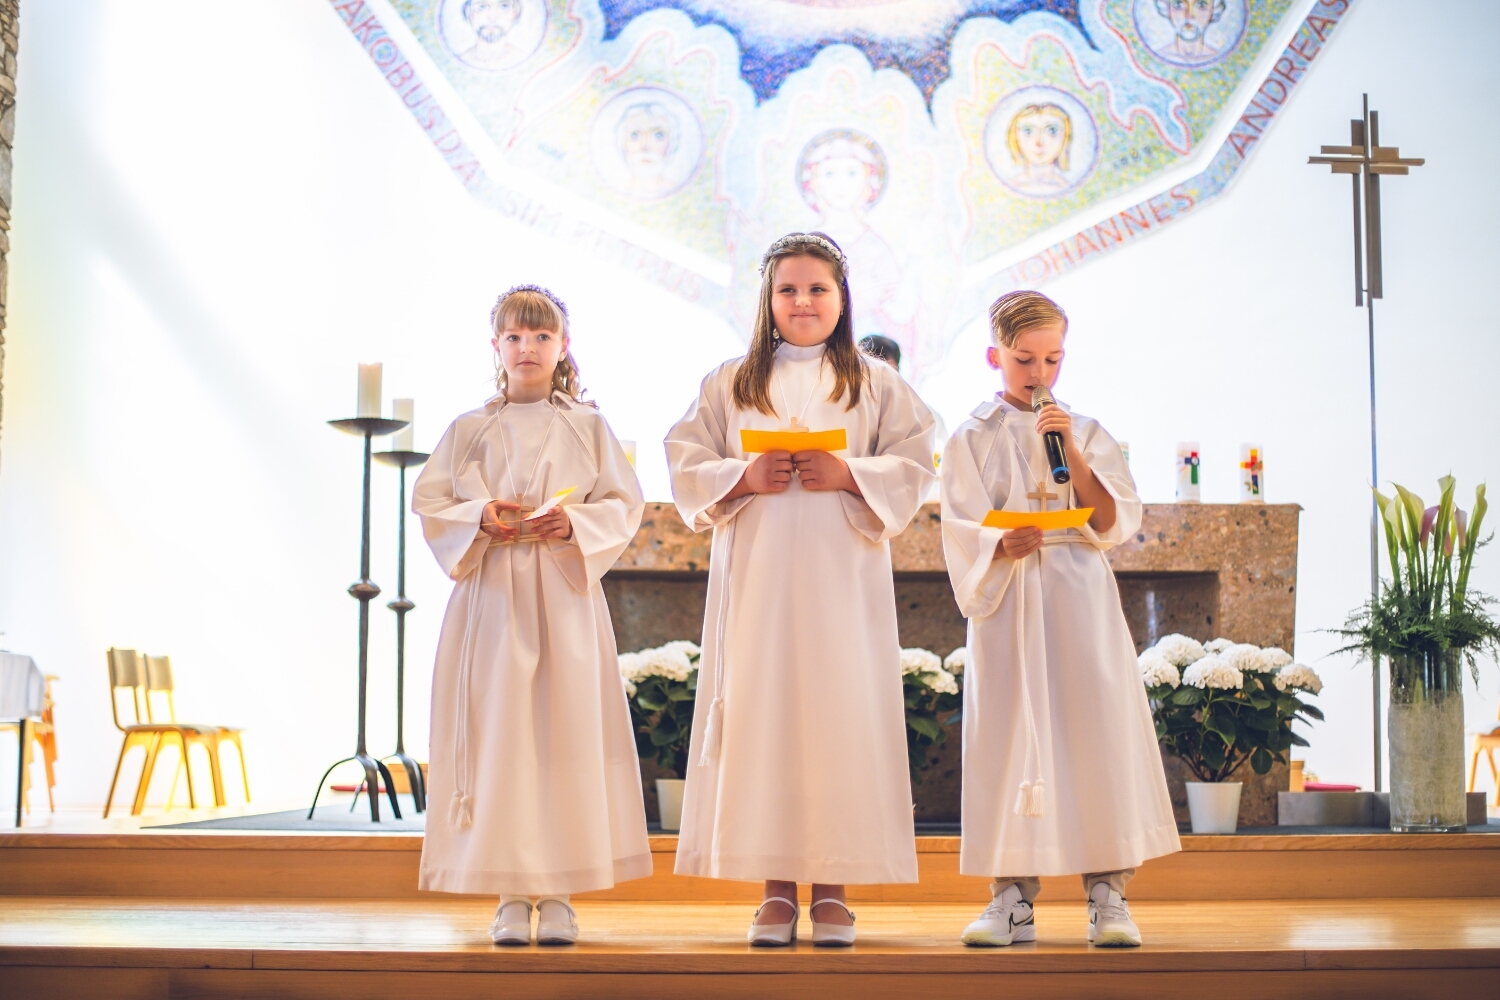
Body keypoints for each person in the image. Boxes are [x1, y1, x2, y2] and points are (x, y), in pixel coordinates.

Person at [666, 232, 936, 947]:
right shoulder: (732, 382)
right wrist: (742, 477)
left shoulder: (875, 383)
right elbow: (687, 458)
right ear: (768, 298)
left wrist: (849, 474)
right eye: (787, 289)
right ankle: (776, 892)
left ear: (842, 299)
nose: (803, 301)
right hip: (758, 584)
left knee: (838, 718)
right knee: (766, 719)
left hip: (842, 584)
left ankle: (835, 891)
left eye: (818, 288)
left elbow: (915, 458)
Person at [940, 290, 1179, 948]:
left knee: (1095, 732)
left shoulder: (1086, 431)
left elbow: (1112, 520)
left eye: (1052, 359)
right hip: (1010, 596)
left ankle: (1109, 894)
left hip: (1079, 593)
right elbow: (958, 524)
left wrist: (1069, 448)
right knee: (1010, 735)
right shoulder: (971, 436)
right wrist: (997, 543)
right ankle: (1010, 898)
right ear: (995, 356)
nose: (1039, 373)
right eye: (1024, 359)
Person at [414, 284, 651, 946]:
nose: (528, 348)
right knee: (501, 736)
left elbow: (623, 504)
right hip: (491, 596)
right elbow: (432, 500)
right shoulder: (469, 430)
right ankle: (510, 894)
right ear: (496, 346)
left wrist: (573, 523)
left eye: (542, 336)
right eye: (515, 337)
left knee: (561, 734)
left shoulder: (587, 426)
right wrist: (479, 516)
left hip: (561, 594)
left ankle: (561, 892)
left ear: (563, 346)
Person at [859, 334, 947, 500]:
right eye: (871, 372)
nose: (881, 380)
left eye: (888, 371)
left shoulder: (924, 414)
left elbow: (938, 465)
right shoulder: (846, 411)